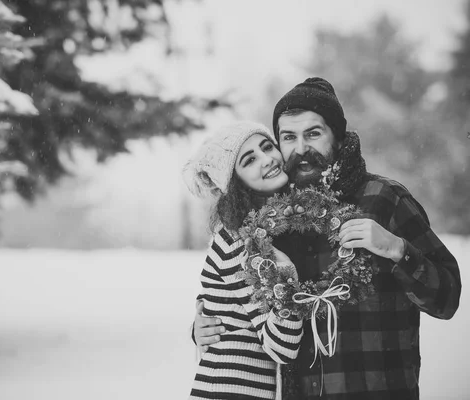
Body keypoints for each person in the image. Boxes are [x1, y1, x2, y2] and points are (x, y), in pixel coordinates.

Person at [193, 77, 462, 400]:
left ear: (337, 135)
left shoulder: (384, 199)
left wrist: (396, 249)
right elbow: (243, 299)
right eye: (288, 137)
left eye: (313, 133)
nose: (301, 148)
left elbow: (446, 298)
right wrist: (207, 323)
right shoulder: (273, 219)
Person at [183, 121, 307, 400]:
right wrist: (285, 275)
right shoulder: (240, 240)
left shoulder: (267, 224)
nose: (267, 160)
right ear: (235, 183)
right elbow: (282, 347)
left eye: (267, 146)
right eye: (249, 160)